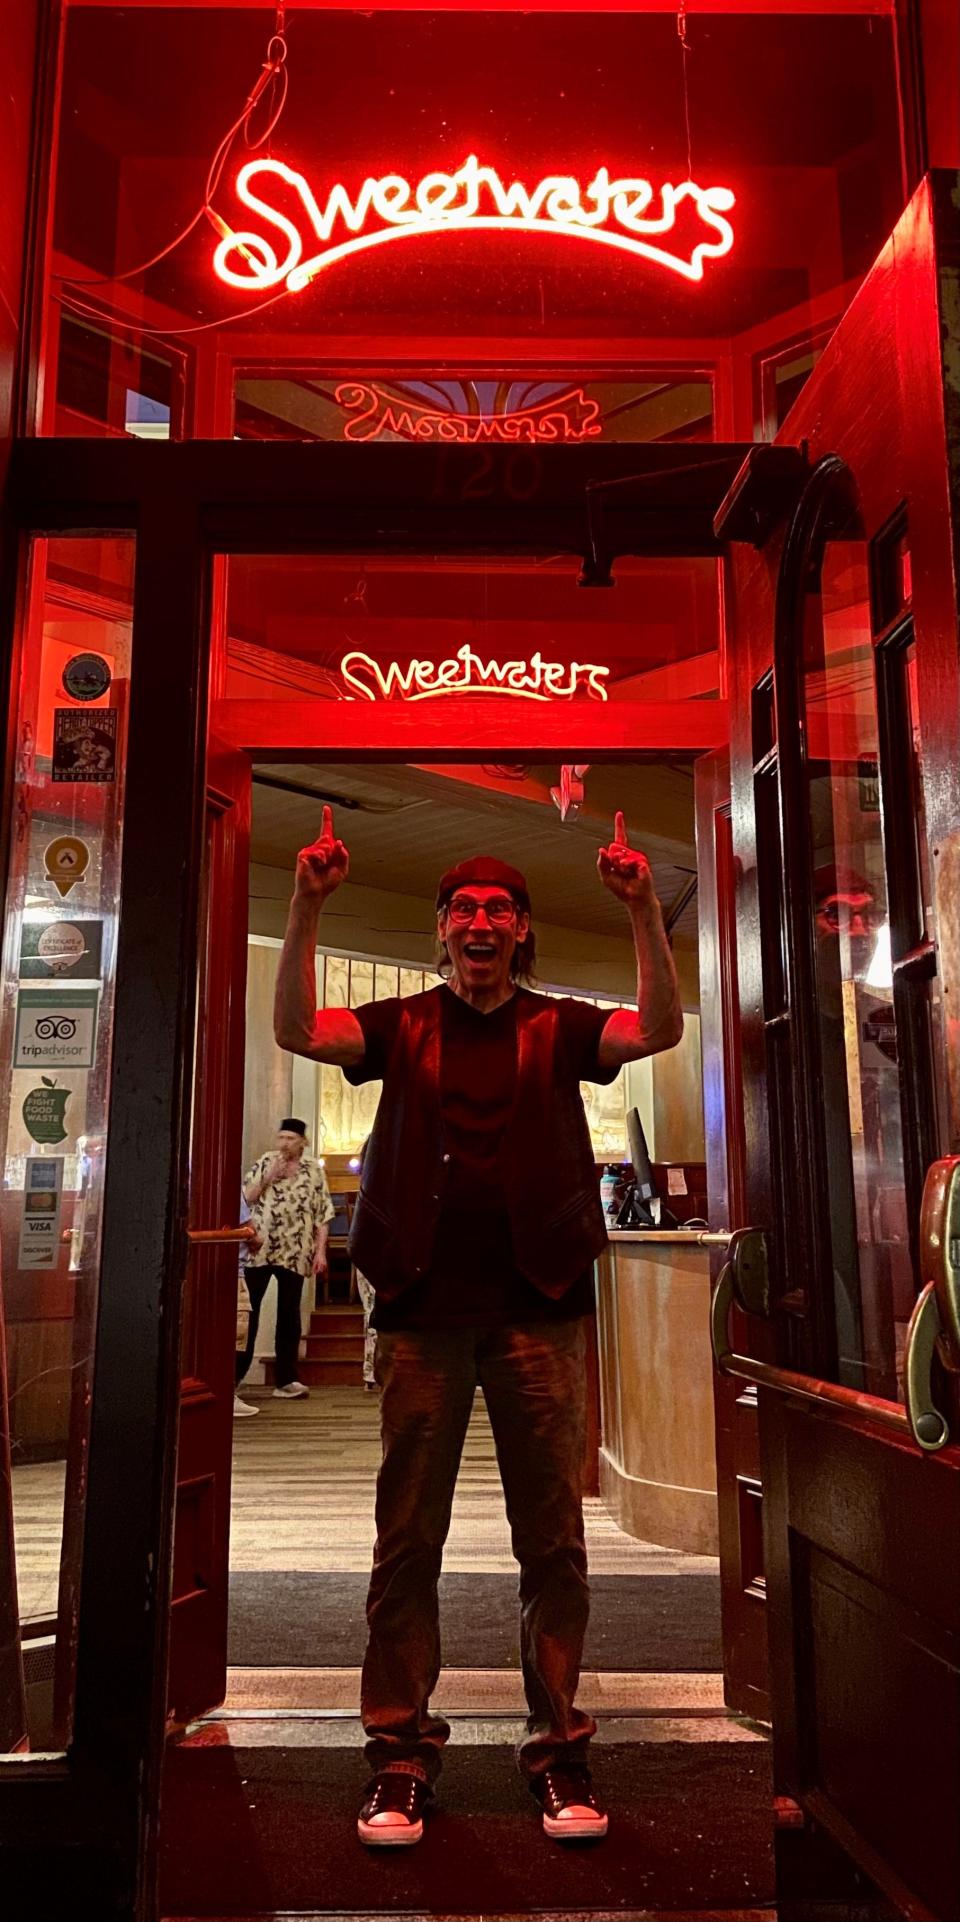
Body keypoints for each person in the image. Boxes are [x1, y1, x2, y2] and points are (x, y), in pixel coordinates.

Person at [274, 807, 682, 1847]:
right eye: (464, 908)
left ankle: (560, 1753)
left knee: (554, 1542)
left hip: (539, 1310)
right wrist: (306, 902)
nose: (481, 921)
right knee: (405, 1540)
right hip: (420, 1314)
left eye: (500, 907)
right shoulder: (402, 1022)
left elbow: (660, 1029)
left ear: (522, 931)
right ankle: (400, 1759)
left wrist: (643, 909)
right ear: (443, 930)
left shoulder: (561, 1024)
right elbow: (297, 1030)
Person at [238, 1119, 334, 1401]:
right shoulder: (266, 1161)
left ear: (302, 1142)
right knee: (249, 1312)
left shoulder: (314, 1171)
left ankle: (286, 1379)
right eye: (281, 1137)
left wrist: (320, 1252)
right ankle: (236, 1376)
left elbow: (323, 1215)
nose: (284, 1143)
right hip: (261, 1248)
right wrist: (269, 1177)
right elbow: (246, 1198)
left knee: (289, 1314)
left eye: (291, 1138)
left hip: (295, 1250)